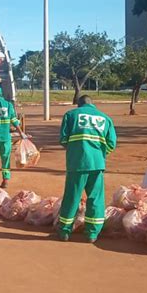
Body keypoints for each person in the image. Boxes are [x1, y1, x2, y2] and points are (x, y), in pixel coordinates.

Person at [57, 95, 117, 243]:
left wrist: (75, 151)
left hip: (77, 163)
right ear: (92, 104)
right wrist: (99, 154)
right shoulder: (105, 118)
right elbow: (111, 143)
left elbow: (63, 139)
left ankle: (64, 231)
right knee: (95, 198)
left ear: (79, 104)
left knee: (72, 196)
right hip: (97, 164)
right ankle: (92, 234)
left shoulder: (71, 115)